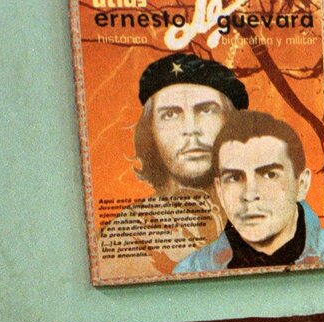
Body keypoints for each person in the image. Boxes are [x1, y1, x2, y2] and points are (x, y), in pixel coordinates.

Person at [97, 53, 247, 279]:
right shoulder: (124, 235)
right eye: (170, 115)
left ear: (231, 122)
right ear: (150, 133)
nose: (190, 128)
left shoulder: (278, 214)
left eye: (206, 110)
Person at [173, 111, 324, 274]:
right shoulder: (192, 269)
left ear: (302, 184)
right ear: (219, 190)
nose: (249, 195)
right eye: (234, 177)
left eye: (270, 175)